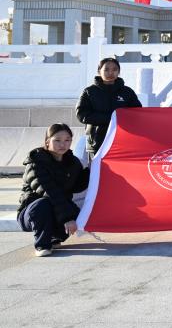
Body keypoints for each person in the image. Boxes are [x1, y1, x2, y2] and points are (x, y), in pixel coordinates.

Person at [18, 123, 89, 256]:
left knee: (77, 212)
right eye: (57, 140)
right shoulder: (36, 162)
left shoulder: (72, 162)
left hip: (58, 207)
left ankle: (55, 236)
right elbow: (49, 192)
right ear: (47, 141)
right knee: (43, 204)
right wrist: (67, 218)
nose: (63, 144)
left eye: (67, 140)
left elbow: (77, 186)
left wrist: (91, 171)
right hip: (32, 211)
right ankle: (42, 245)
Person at [75, 57, 142, 157]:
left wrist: (122, 120)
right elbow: (82, 114)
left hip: (122, 140)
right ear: (99, 71)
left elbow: (137, 113)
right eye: (106, 69)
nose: (110, 73)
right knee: (98, 167)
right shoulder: (89, 92)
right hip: (97, 141)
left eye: (114, 69)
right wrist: (111, 119)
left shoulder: (127, 92)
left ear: (119, 72)